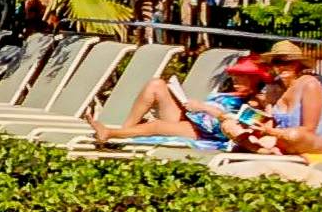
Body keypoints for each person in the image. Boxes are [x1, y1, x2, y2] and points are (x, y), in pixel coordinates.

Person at [95, 53, 270, 147]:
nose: (235, 80)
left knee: (156, 126)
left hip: (203, 132)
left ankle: (110, 134)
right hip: (191, 119)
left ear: (255, 79)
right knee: (156, 84)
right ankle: (127, 131)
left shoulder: (253, 101)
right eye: (235, 76)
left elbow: (238, 125)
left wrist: (203, 107)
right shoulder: (231, 94)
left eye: (241, 77)